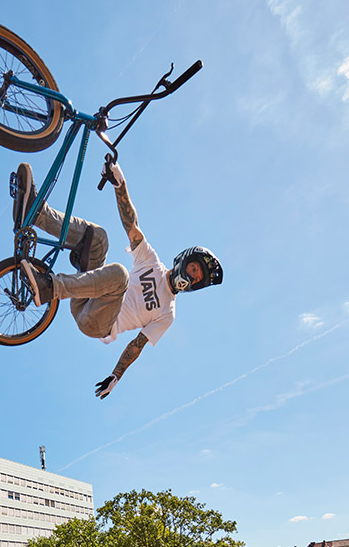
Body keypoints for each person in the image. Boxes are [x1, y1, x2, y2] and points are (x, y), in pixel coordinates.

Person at [16, 160, 223, 398]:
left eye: (197, 280)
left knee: (120, 275)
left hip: (98, 323)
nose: (192, 278)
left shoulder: (167, 313)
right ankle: (38, 214)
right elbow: (131, 225)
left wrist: (116, 376)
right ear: (185, 260)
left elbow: (137, 344)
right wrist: (119, 184)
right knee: (99, 238)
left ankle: (49, 288)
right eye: (194, 269)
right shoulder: (151, 261)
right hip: (86, 296)